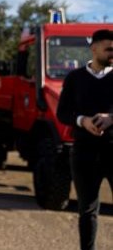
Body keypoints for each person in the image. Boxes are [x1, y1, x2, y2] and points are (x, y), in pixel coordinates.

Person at [57, 29, 113, 250]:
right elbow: (62, 112)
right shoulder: (75, 78)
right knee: (87, 211)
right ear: (94, 48)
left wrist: (111, 118)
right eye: (109, 48)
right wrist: (82, 121)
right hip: (84, 154)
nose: (112, 53)